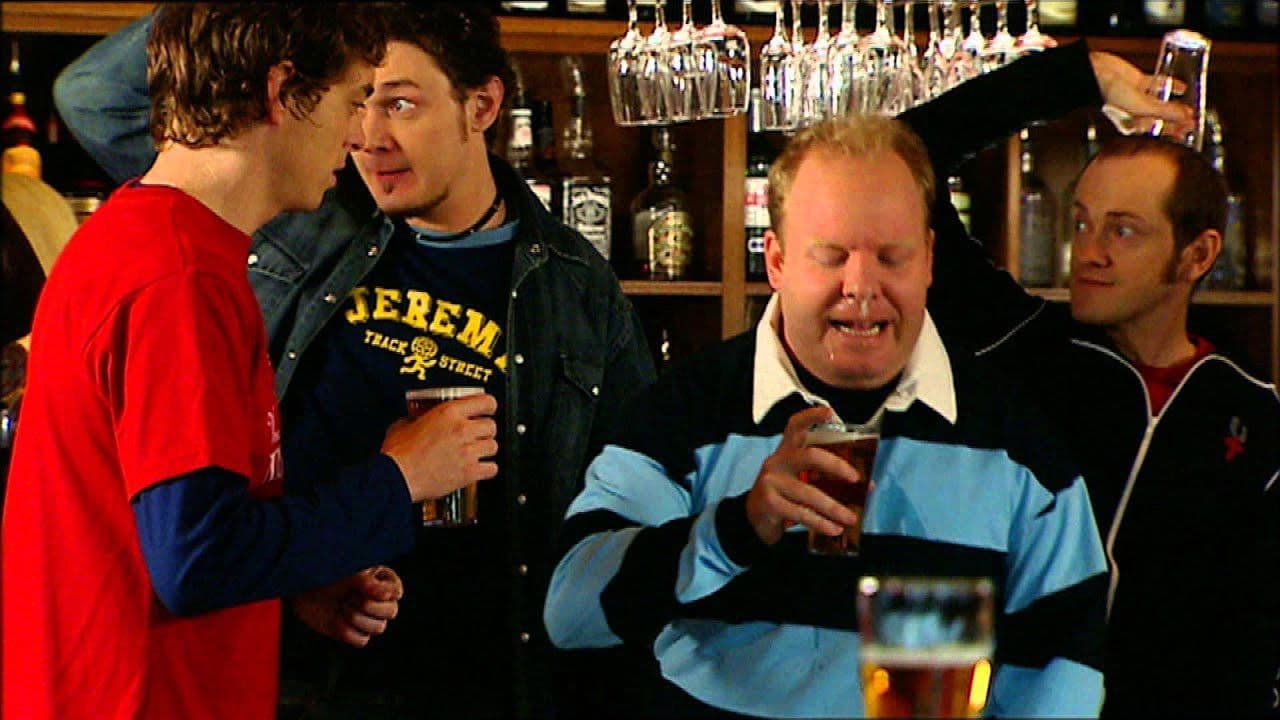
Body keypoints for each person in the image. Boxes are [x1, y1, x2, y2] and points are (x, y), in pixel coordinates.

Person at [54, 2, 656, 717]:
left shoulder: (577, 285)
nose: (368, 136)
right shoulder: (297, 204)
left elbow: (631, 510)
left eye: (399, 103)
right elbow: (94, 98)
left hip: (484, 680)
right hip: (292, 671)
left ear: (483, 105)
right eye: (356, 101)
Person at [1, 5, 491, 719]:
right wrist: (400, 478)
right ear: (281, 91)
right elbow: (197, 560)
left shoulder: (156, 240)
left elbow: (166, 535)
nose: (360, 136)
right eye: (353, 101)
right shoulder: (179, 278)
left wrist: (291, 582)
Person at [544, 106, 1113, 715]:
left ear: (929, 260)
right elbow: (570, 613)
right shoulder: (685, 410)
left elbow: (1063, 679)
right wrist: (736, 528)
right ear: (777, 261)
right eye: (832, 255)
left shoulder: (1018, 447)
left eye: (890, 257)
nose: (861, 287)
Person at [929, 133, 1280, 714]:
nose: (1087, 252)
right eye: (1082, 223)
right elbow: (915, 149)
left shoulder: (1254, 414)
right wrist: (1082, 85)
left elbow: (1257, 652)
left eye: (1122, 231)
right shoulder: (1024, 350)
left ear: (1197, 255)